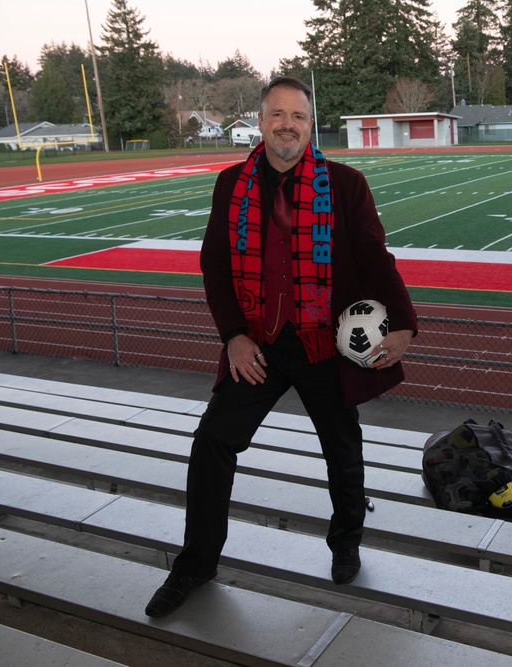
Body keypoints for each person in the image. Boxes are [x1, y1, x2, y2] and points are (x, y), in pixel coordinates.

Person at [145, 76, 417, 618]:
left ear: (310, 125)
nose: (286, 125)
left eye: (297, 115)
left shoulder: (344, 184)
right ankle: (196, 563)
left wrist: (404, 323)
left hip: (322, 343)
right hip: (260, 345)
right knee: (212, 442)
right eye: (276, 115)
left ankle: (346, 542)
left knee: (343, 451)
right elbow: (215, 268)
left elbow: (373, 257)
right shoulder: (231, 184)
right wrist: (234, 337)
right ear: (261, 121)